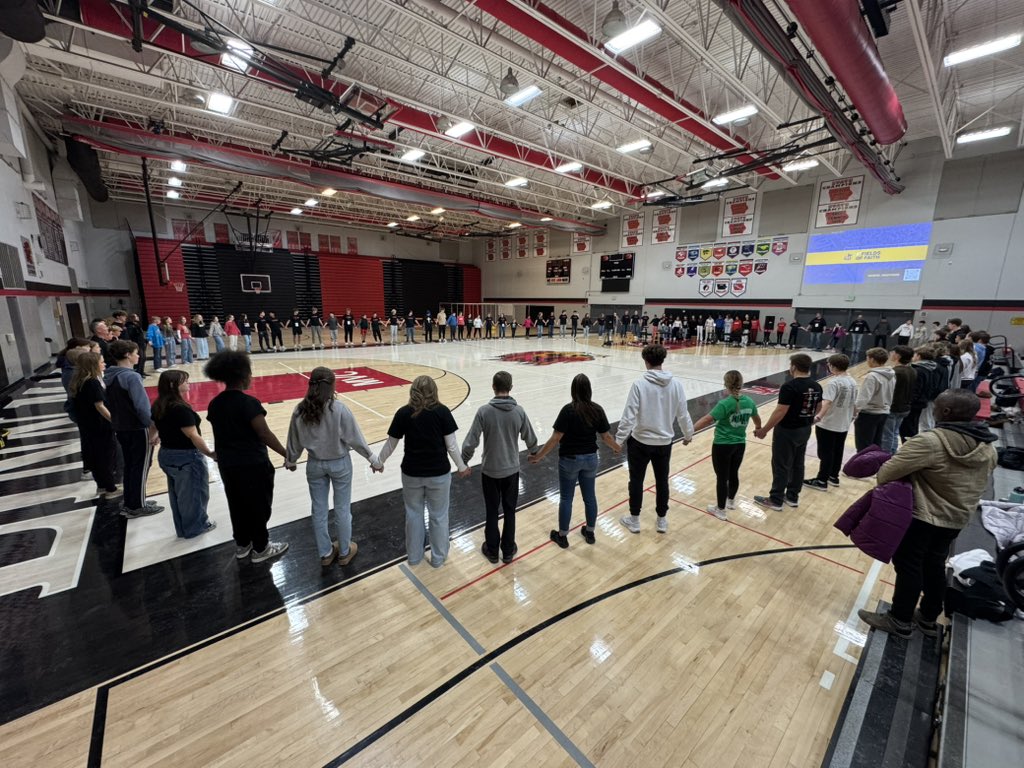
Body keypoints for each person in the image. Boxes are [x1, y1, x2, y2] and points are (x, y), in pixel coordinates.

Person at [857, 390, 997, 639]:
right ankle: (928, 617)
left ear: (945, 412)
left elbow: (886, 474)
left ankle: (899, 619)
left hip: (924, 515)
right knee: (934, 564)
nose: (933, 410)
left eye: (937, 407)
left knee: (910, 566)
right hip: (957, 517)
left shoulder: (930, 442)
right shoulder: (988, 447)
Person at [285, 367, 377, 567]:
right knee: (343, 508)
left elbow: (294, 439)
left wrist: (291, 460)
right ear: (332, 385)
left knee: (318, 509)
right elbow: (355, 439)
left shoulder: (300, 410)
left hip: (314, 465)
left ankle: (326, 553)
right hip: (339, 464)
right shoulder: (339, 409)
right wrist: (373, 458)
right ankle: (344, 552)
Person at [375, 376, 471, 567]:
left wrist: (379, 462)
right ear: (434, 391)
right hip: (439, 475)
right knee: (439, 516)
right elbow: (451, 446)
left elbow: (391, 444)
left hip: (411, 473)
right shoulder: (442, 412)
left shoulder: (403, 413)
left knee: (413, 515)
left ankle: (414, 557)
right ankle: (437, 558)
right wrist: (462, 467)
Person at [205, 351, 289, 563]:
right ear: (243, 376)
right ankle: (261, 548)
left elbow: (221, 433)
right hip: (252, 463)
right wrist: (286, 453)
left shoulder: (215, 404)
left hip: (227, 463)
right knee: (258, 505)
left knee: (237, 503)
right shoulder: (249, 403)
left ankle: (243, 544)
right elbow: (264, 433)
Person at [529, 374, 620, 547]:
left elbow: (555, 438)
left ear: (573, 391)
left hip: (569, 460)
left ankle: (562, 536)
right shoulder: (597, 409)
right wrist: (617, 448)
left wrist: (538, 457)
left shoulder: (568, 410)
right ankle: (590, 533)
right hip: (591, 459)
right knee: (590, 497)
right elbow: (606, 436)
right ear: (589, 390)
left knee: (566, 498)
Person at [461, 371, 539, 563]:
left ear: (493, 387)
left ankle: (493, 550)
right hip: (511, 470)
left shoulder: (483, 411)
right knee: (510, 510)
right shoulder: (519, 411)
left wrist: (464, 460)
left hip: (490, 471)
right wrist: (534, 452)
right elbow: (531, 438)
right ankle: (508, 550)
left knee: (491, 511)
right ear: (511, 387)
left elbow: (471, 442)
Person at [616, 344, 694, 534]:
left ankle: (634, 520)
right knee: (662, 482)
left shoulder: (639, 384)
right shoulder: (676, 384)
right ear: (662, 360)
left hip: (640, 442)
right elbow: (683, 414)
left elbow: (629, 415)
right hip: (664, 444)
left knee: (636, 481)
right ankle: (661, 520)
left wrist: (618, 440)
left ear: (646, 361)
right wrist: (688, 434)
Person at [753, 354, 823, 511]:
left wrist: (764, 430)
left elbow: (780, 411)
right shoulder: (816, 386)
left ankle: (776, 499)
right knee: (798, 464)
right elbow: (818, 408)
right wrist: (807, 420)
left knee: (781, 465)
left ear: (794, 367)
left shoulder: (789, 386)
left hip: (787, 431)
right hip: (805, 430)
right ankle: (792, 497)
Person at [152, 370, 217, 538]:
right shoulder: (180, 409)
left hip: (167, 454)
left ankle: (183, 528)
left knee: (178, 495)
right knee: (194, 494)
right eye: (185, 381)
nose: (189, 383)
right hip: (186, 457)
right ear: (174, 385)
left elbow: (155, 425)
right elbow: (193, 436)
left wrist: (154, 436)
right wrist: (210, 453)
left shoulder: (159, 404)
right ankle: (196, 527)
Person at [104, 340, 164, 517]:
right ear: (128, 355)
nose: (138, 356)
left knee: (130, 465)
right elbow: (141, 406)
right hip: (137, 427)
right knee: (141, 465)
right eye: (136, 352)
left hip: (121, 426)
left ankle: (132, 500)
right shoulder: (131, 376)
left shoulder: (110, 375)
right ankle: (138, 505)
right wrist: (153, 425)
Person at [693, 370, 761, 520]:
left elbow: (706, 419)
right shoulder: (749, 402)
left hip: (722, 445)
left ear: (726, 384)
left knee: (722, 478)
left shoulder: (725, 403)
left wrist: (690, 431)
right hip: (740, 445)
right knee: (733, 473)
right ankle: (730, 501)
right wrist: (757, 429)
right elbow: (757, 419)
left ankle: (721, 510)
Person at [70, 351, 121, 499]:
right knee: (105, 456)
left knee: (97, 455)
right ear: (93, 365)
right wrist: (114, 421)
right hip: (100, 425)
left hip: (88, 424)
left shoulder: (79, 380)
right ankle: (110, 489)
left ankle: (102, 485)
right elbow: (100, 406)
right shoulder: (92, 382)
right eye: (102, 362)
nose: (104, 364)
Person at [803, 354, 857, 492]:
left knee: (825, 452)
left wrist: (818, 417)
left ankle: (821, 480)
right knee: (838, 450)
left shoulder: (834, 383)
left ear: (832, 366)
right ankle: (833, 476)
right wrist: (854, 415)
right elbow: (854, 402)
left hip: (829, 423)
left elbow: (827, 402)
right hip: (843, 422)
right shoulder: (852, 381)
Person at [853, 347, 895, 451]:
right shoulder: (891, 374)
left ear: (872, 359)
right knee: (877, 444)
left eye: (867, 358)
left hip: (869, 414)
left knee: (864, 447)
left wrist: (854, 412)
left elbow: (863, 398)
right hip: (884, 412)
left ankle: (864, 467)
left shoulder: (872, 376)